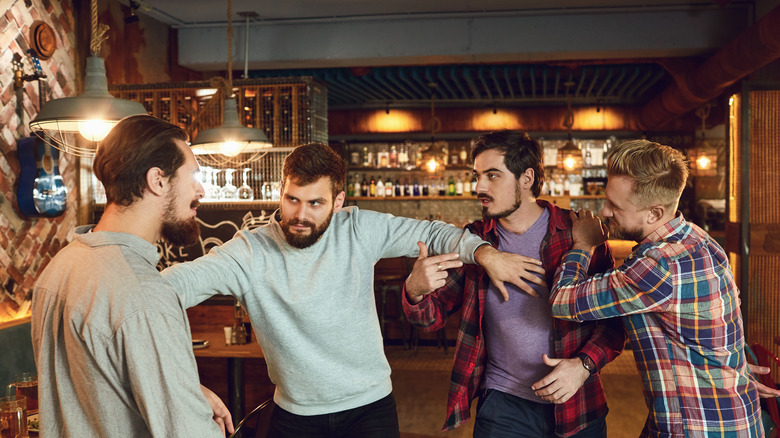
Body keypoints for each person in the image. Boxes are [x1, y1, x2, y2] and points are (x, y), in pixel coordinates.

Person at [161, 142, 532, 438]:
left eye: (315, 203)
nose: (300, 215)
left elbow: (436, 232)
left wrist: (485, 254)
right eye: (292, 200)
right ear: (281, 191)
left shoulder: (358, 230)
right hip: (294, 415)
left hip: (370, 410)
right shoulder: (249, 251)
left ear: (338, 203)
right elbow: (170, 289)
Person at [402, 130, 626, 438]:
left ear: (527, 177)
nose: (479, 186)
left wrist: (584, 366)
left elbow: (614, 321)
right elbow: (429, 318)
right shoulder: (473, 241)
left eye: (492, 175)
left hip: (578, 401)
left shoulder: (579, 234)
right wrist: (415, 290)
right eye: (476, 175)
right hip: (502, 406)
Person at [549, 139, 768, 437]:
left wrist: (582, 245)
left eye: (615, 205)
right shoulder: (700, 240)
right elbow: (723, 315)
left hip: (697, 426)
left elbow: (562, 302)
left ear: (653, 213)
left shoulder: (658, 265)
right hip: (726, 415)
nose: (605, 211)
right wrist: (731, 366)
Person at [31, 115, 232, 437]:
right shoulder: (144, 294)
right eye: (192, 176)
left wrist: (182, 391)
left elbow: (96, 385)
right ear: (158, 181)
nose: (201, 189)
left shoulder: (61, 266)